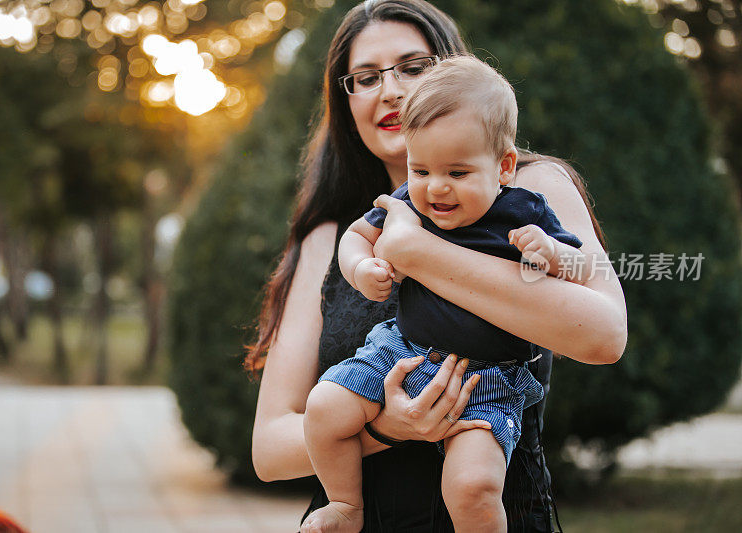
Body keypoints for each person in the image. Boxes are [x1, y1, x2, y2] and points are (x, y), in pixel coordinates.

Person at [247, 1, 627, 531]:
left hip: (496, 506)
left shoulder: (530, 191)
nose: (391, 91)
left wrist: (418, 252)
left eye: (412, 67)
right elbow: (269, 449)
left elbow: (605, 336)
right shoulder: (333, 238)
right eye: (365, 77)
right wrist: (387, 428)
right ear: (347, 97)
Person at [302, 55, 590, 533]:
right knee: (324, 409)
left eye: (457, 173)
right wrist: (361, 268)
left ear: (504, 166)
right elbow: (356, 236)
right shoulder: (403, 205)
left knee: (473, 487)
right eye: (421, 170)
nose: (435, 189)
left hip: (488, 380)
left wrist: (552, 253)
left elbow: (586, 269)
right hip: (401, 353)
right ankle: (345, 506)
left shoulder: (522, 209)